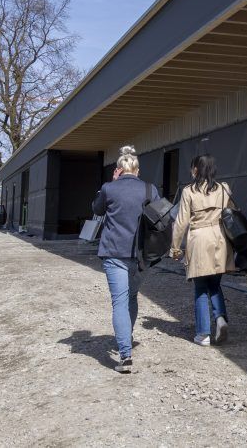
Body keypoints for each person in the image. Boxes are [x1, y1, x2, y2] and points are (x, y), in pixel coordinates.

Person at [92, 145, 160, 374]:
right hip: (142, 255)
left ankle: (125, 353)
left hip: (114, 252)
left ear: (118, 170)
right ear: (137, 170)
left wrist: (110, 184)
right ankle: (126, 337)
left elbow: (97, 210)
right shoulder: (150, 190)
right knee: (131, 296)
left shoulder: (109, 189)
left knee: (119, 301)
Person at [169, 154, 235, 346]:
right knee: (215, 284)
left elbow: (181, 222)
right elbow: (230, 214)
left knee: (200, 288)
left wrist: (175, 247)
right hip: (220, 240)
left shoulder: (189, 191)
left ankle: (203, 334)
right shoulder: (224, 188)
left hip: (199, 239)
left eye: (192, 167)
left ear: (196, 170)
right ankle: (220, 318)